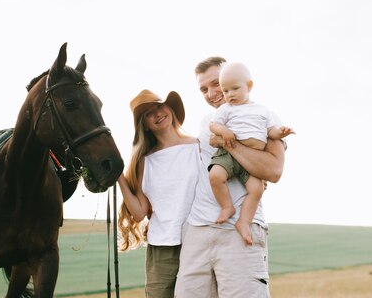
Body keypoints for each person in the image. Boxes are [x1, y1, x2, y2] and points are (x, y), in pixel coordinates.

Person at [175, 56, 286, 298]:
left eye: (216, 83)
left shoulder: (262, 117)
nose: (212, 93)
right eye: (203, 89)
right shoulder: (208, 122)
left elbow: (274, 170)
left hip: (239, 233)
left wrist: (229, 144)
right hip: (197, 230)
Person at [117, 89, 200, 298]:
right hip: (161, 246)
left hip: (199, 241)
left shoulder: (199, 146)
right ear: (144, 124)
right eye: (148, 113)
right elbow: (139, 212)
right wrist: (119, 178)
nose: (157, 113)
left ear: (170, 108)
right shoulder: (145, 161)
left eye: (159, 106)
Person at [208, 61, 294, 245]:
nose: (229, 95)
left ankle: (244, 222)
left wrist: (282, 132)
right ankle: (227, 207)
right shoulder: (226, 109)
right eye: (226, 91)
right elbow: (213, 126)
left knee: (256, 190)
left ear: (249, 86)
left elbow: (272, 131)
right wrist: (223, 132)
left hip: (251, 158)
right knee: (215, 175)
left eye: (234, 89)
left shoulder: (263, 111)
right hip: (228, 156)